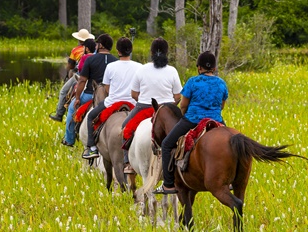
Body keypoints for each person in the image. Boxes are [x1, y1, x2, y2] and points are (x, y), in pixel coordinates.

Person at [155, 51, 228, 195]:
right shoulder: (221, 83)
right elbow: (222, 105)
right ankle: (228, 180)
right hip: (216, 119)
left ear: (199, 68)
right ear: (213, 68)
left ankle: (168, 184)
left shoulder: (193, 82)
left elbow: (183, 105)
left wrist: (184, 117)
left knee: (167, 144)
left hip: (193, 119)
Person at [121, 38, 182, 173]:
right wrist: (169, 107)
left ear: (151, 52)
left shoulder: (142, 69)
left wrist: (143, 100)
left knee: (125, 127)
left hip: (144, 107)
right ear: (167, 52)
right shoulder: (172, 70)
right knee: (185, 132)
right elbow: (178, 96)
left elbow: (134, 94)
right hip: (167, 109)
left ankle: (128, 163)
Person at [82, 36, 141, 159]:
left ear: (118, 51)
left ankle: (92, 148)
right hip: (133, 103)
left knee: (91, 116)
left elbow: (107, 89)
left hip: (112, 102)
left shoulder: (111, 66)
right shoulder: (139, 67)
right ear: (130, 50)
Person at [64, 34, 117, 148]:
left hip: (90, 95)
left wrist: (77, 98)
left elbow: (82, 80)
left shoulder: (90, 59)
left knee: (72, 108)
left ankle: (69, 139)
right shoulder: (116, 61)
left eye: (97, 43)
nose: (96, 45)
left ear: (101, 45)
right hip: (110, 96)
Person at [49, 29, 94, 122]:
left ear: (79, 39)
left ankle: (59, 113)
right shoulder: (95, 50)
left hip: (80, 75)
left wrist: (68, 70)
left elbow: (70, 65)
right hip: (94, 76)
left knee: (63, 91)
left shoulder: (75, 50)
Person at [60, 38, 96, 147]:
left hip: (87, 89)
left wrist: (78, 97)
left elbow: (79, 72)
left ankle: (69, 139)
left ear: (87, 48)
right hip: (100, 92)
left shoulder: (81, 54)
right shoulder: (98, 56)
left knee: (69, 102)